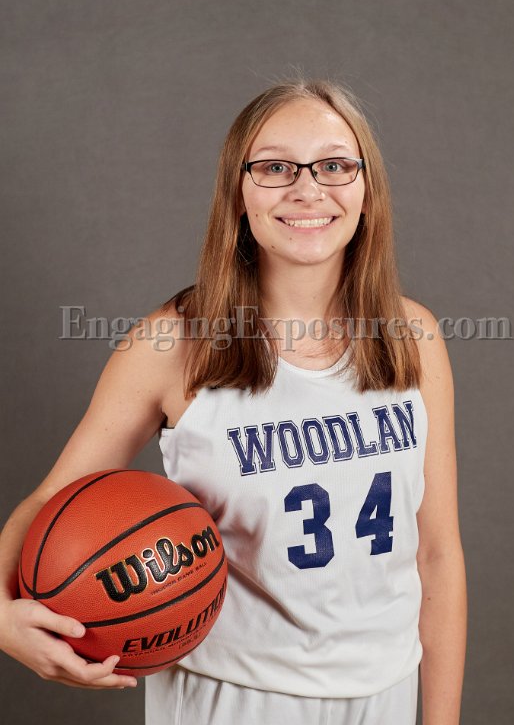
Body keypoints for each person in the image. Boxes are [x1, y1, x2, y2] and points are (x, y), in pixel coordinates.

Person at [0, 77, 467, 724]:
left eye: (334, 165)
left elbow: (437, 554)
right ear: (237, 192)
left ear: (367, 189)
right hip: (230, 694)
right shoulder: (173, 343)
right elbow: (55, 497)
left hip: (385, 687)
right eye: (275, 168)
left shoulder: (413, 337)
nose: (308, 189)